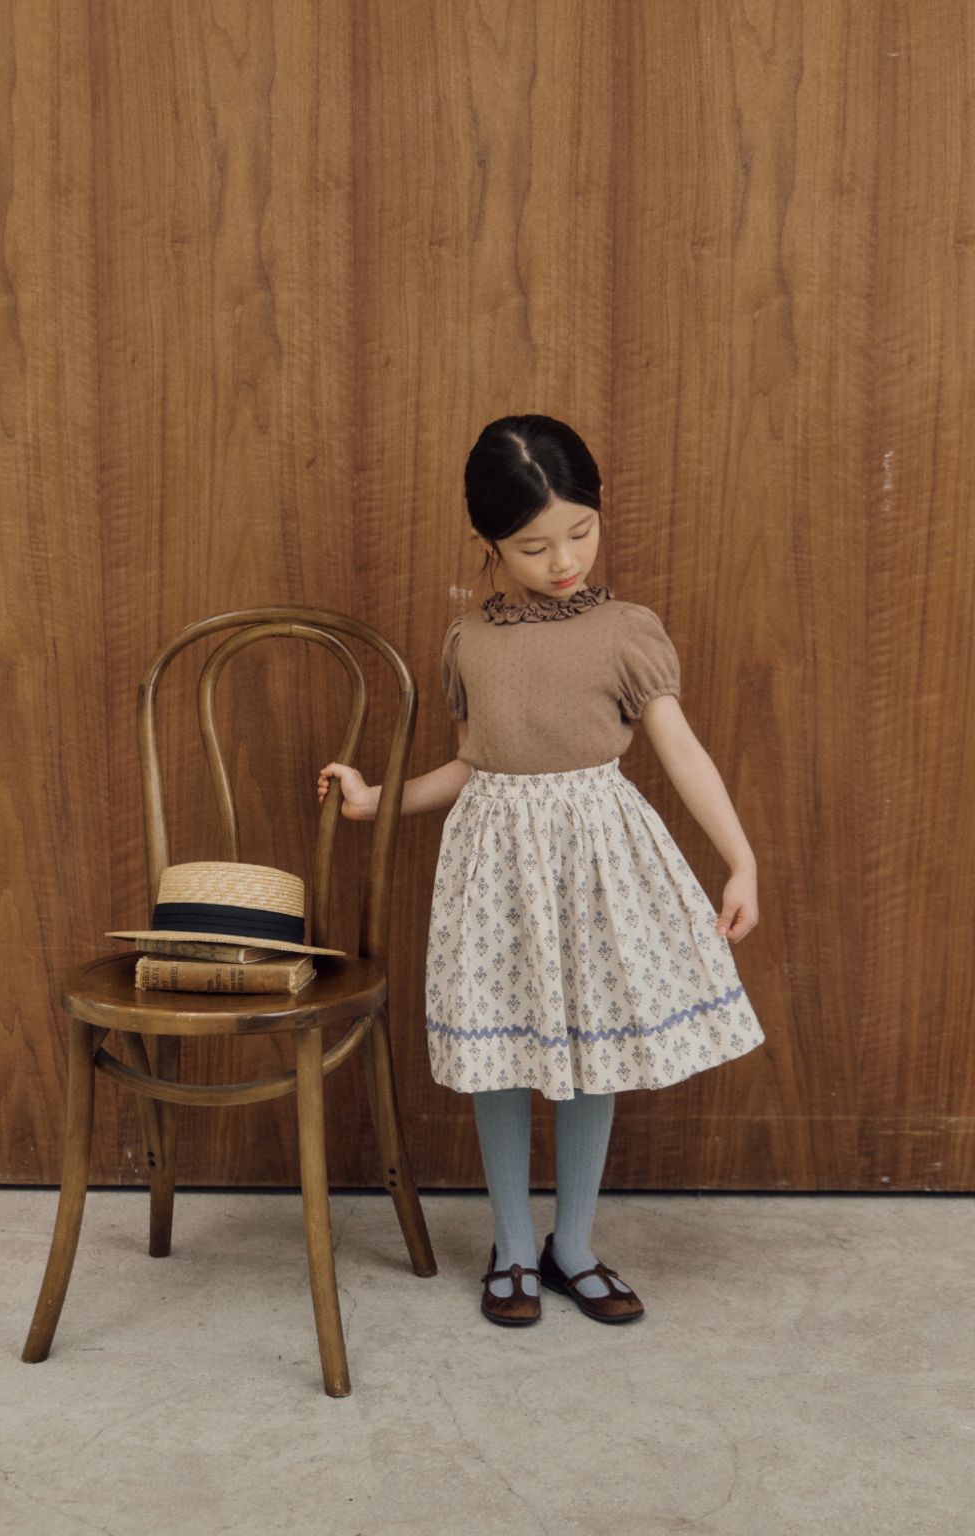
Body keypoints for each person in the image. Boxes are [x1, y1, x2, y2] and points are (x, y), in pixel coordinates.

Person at [317, 413, 766, 1328]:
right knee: (500, 1053)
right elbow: (472, 764)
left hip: (598, 863)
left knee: (593, 1050)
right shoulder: (469, 640)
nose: (564, 561)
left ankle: (575, 1247)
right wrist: (373, 800)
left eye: (581, 533)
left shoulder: (626, 631)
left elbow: (681, 750)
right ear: (488, 541)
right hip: (495, 867)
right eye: (533, 546)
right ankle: (514, 1245)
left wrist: (741, 859)